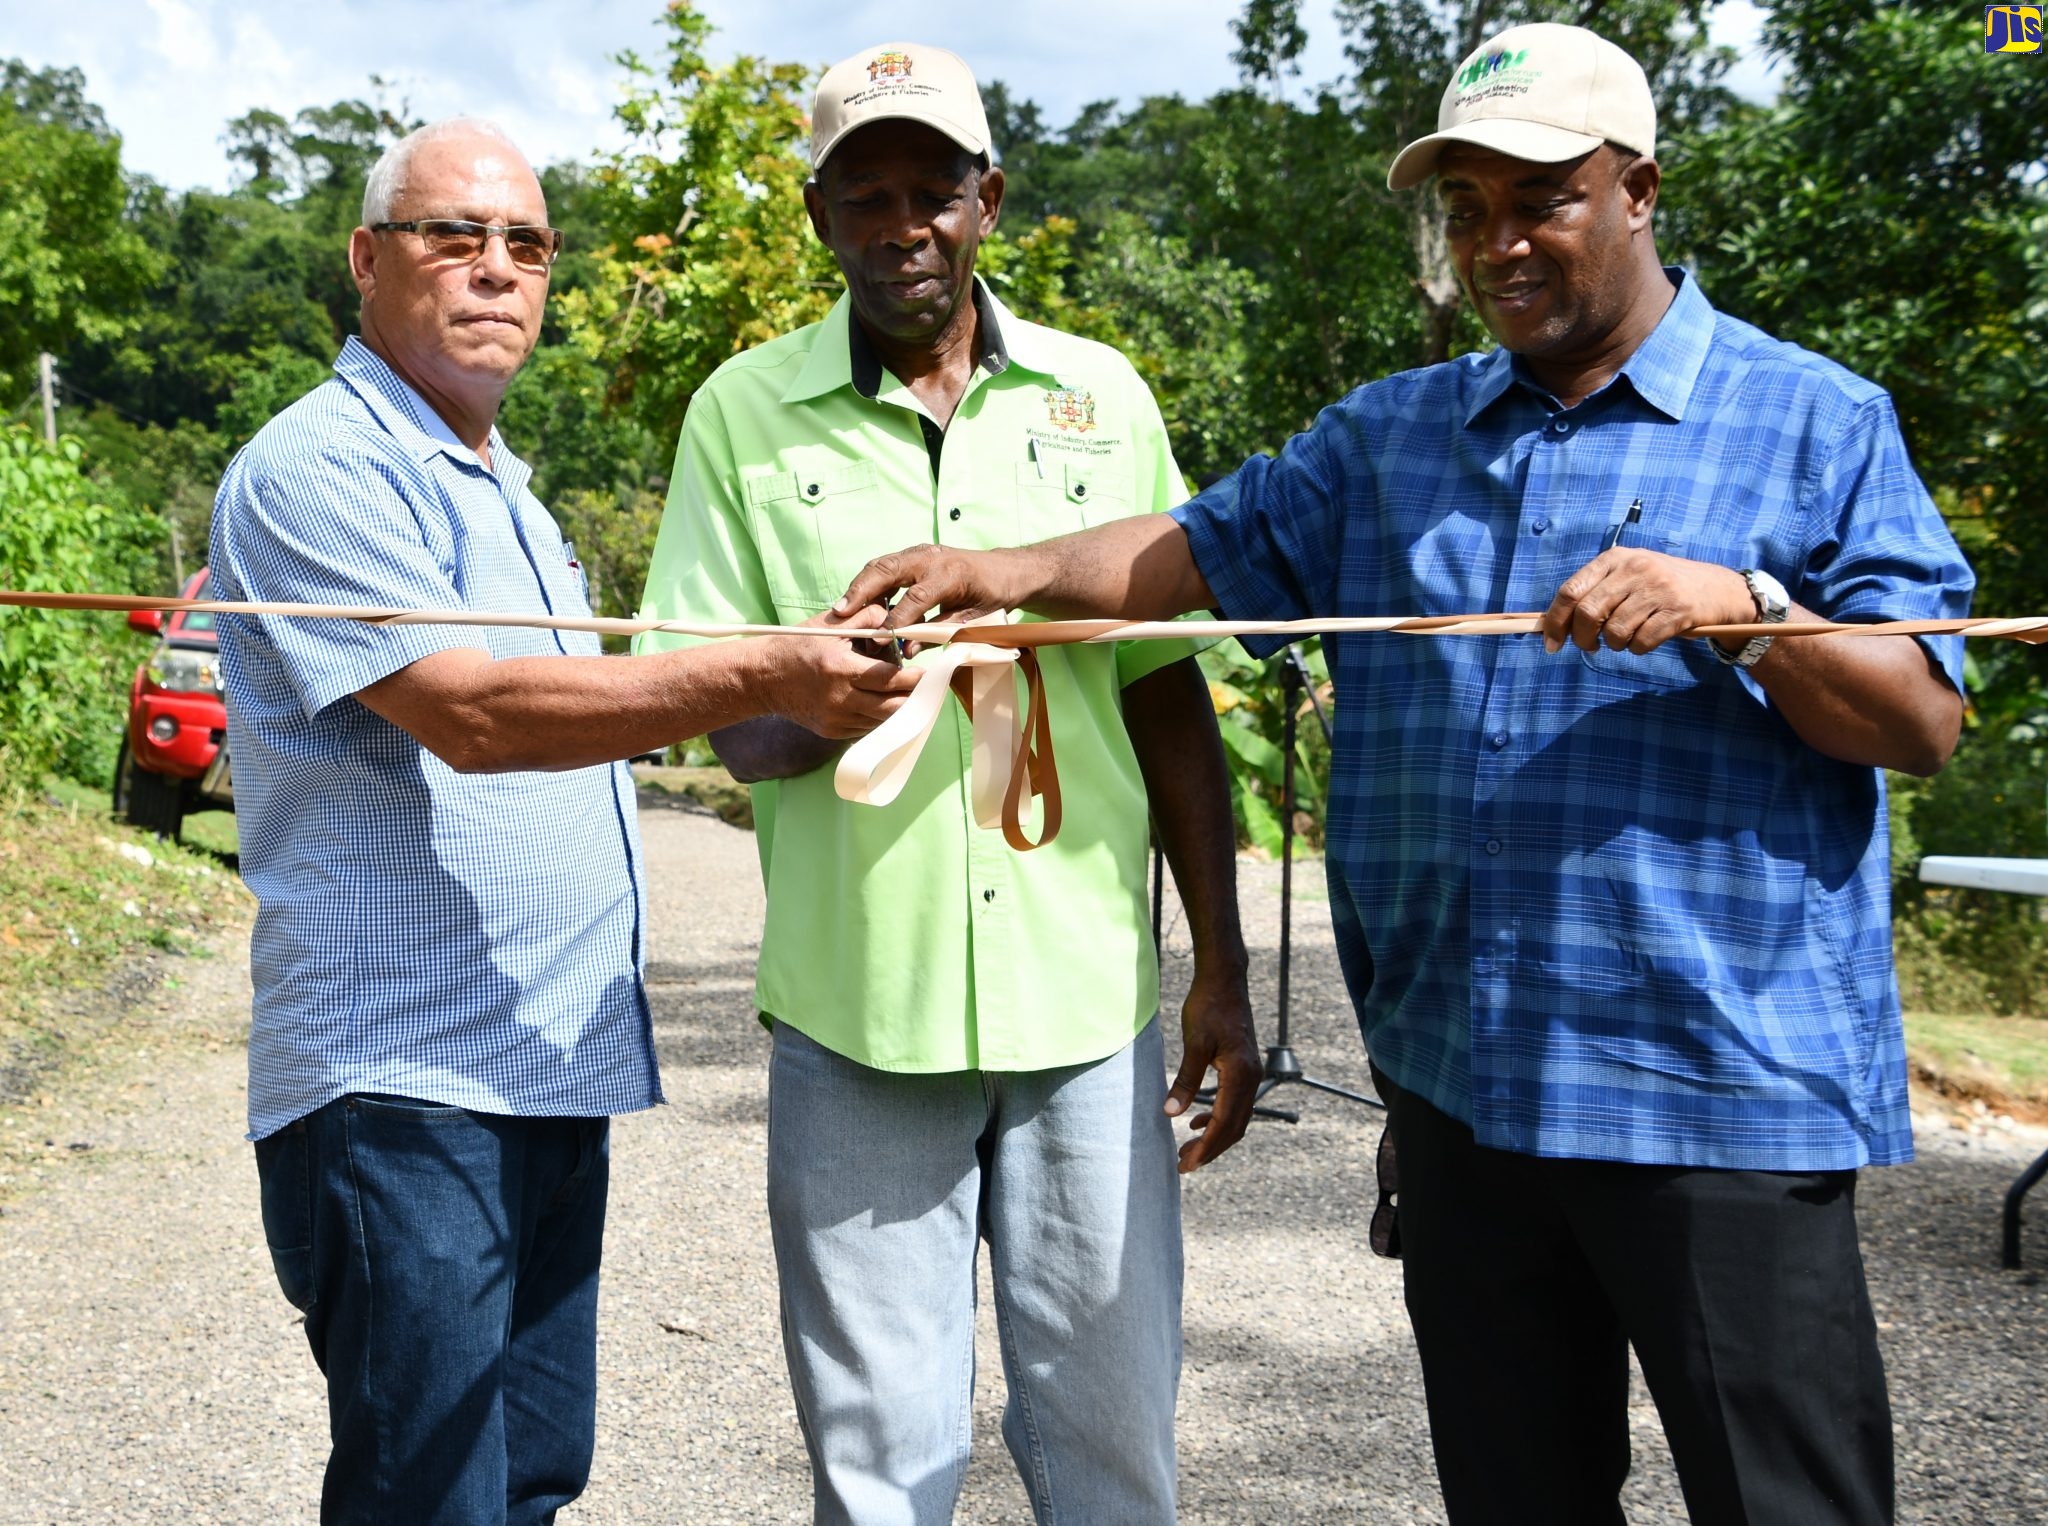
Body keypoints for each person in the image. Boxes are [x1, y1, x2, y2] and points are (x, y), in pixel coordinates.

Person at [839, 23, 1975, 1526]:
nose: (1498, 241)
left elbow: (1920, 718)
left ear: (1639, 190)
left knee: (1789, 1505)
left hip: (1719, 1104)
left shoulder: (1817, 420)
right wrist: (997, 565)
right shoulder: (1388, 438)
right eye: (1466, 209)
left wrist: (1752, 614)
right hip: (1465, 1095)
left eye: (1542, 200)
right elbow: (1177, 555)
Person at [210, 118, 917, 1525]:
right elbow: (478, 714)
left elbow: (630, 715)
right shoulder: (322, 467)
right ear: (365, 260)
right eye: (452, 236)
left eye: (525, 244)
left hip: (539, 1068)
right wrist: (769, 663)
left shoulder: (511, 491)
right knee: (434, 1494)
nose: (495, 269)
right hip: (402, 1083)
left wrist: (849, 678)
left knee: (529, 1476)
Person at [632, 43, 1261, 1525]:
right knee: (880, 1466)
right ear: (818, 218)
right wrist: (821, 685)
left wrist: (1220, 970)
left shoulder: (1099, 400)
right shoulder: (742, 412)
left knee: (1116, 1450)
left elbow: (1167, 691)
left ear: (989, 203)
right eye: (865, 196)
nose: (901, 223)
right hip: (860, 1013)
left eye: (933, 191)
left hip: (1086, 1013)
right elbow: (724, 718)